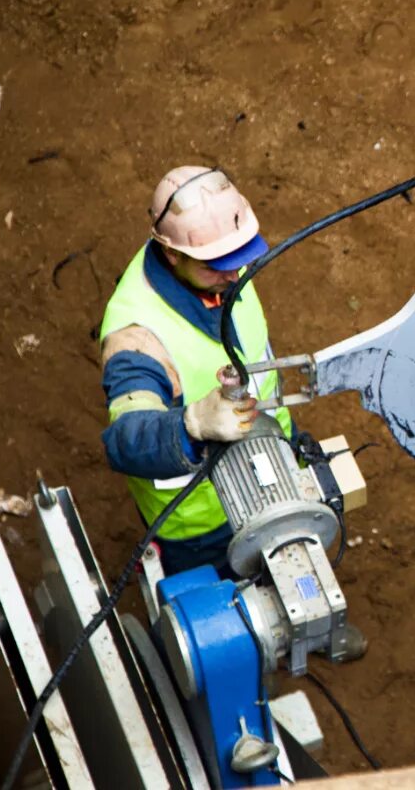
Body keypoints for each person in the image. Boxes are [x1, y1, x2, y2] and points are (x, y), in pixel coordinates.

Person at [98, 166, 290, 577]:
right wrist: (191, 425)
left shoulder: (222, 265)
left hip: (272, 468)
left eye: (240, 256)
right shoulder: (137, 336)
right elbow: (124, 441)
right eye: (216, 264)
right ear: (172, 253)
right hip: (200, 526)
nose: (233, 273)